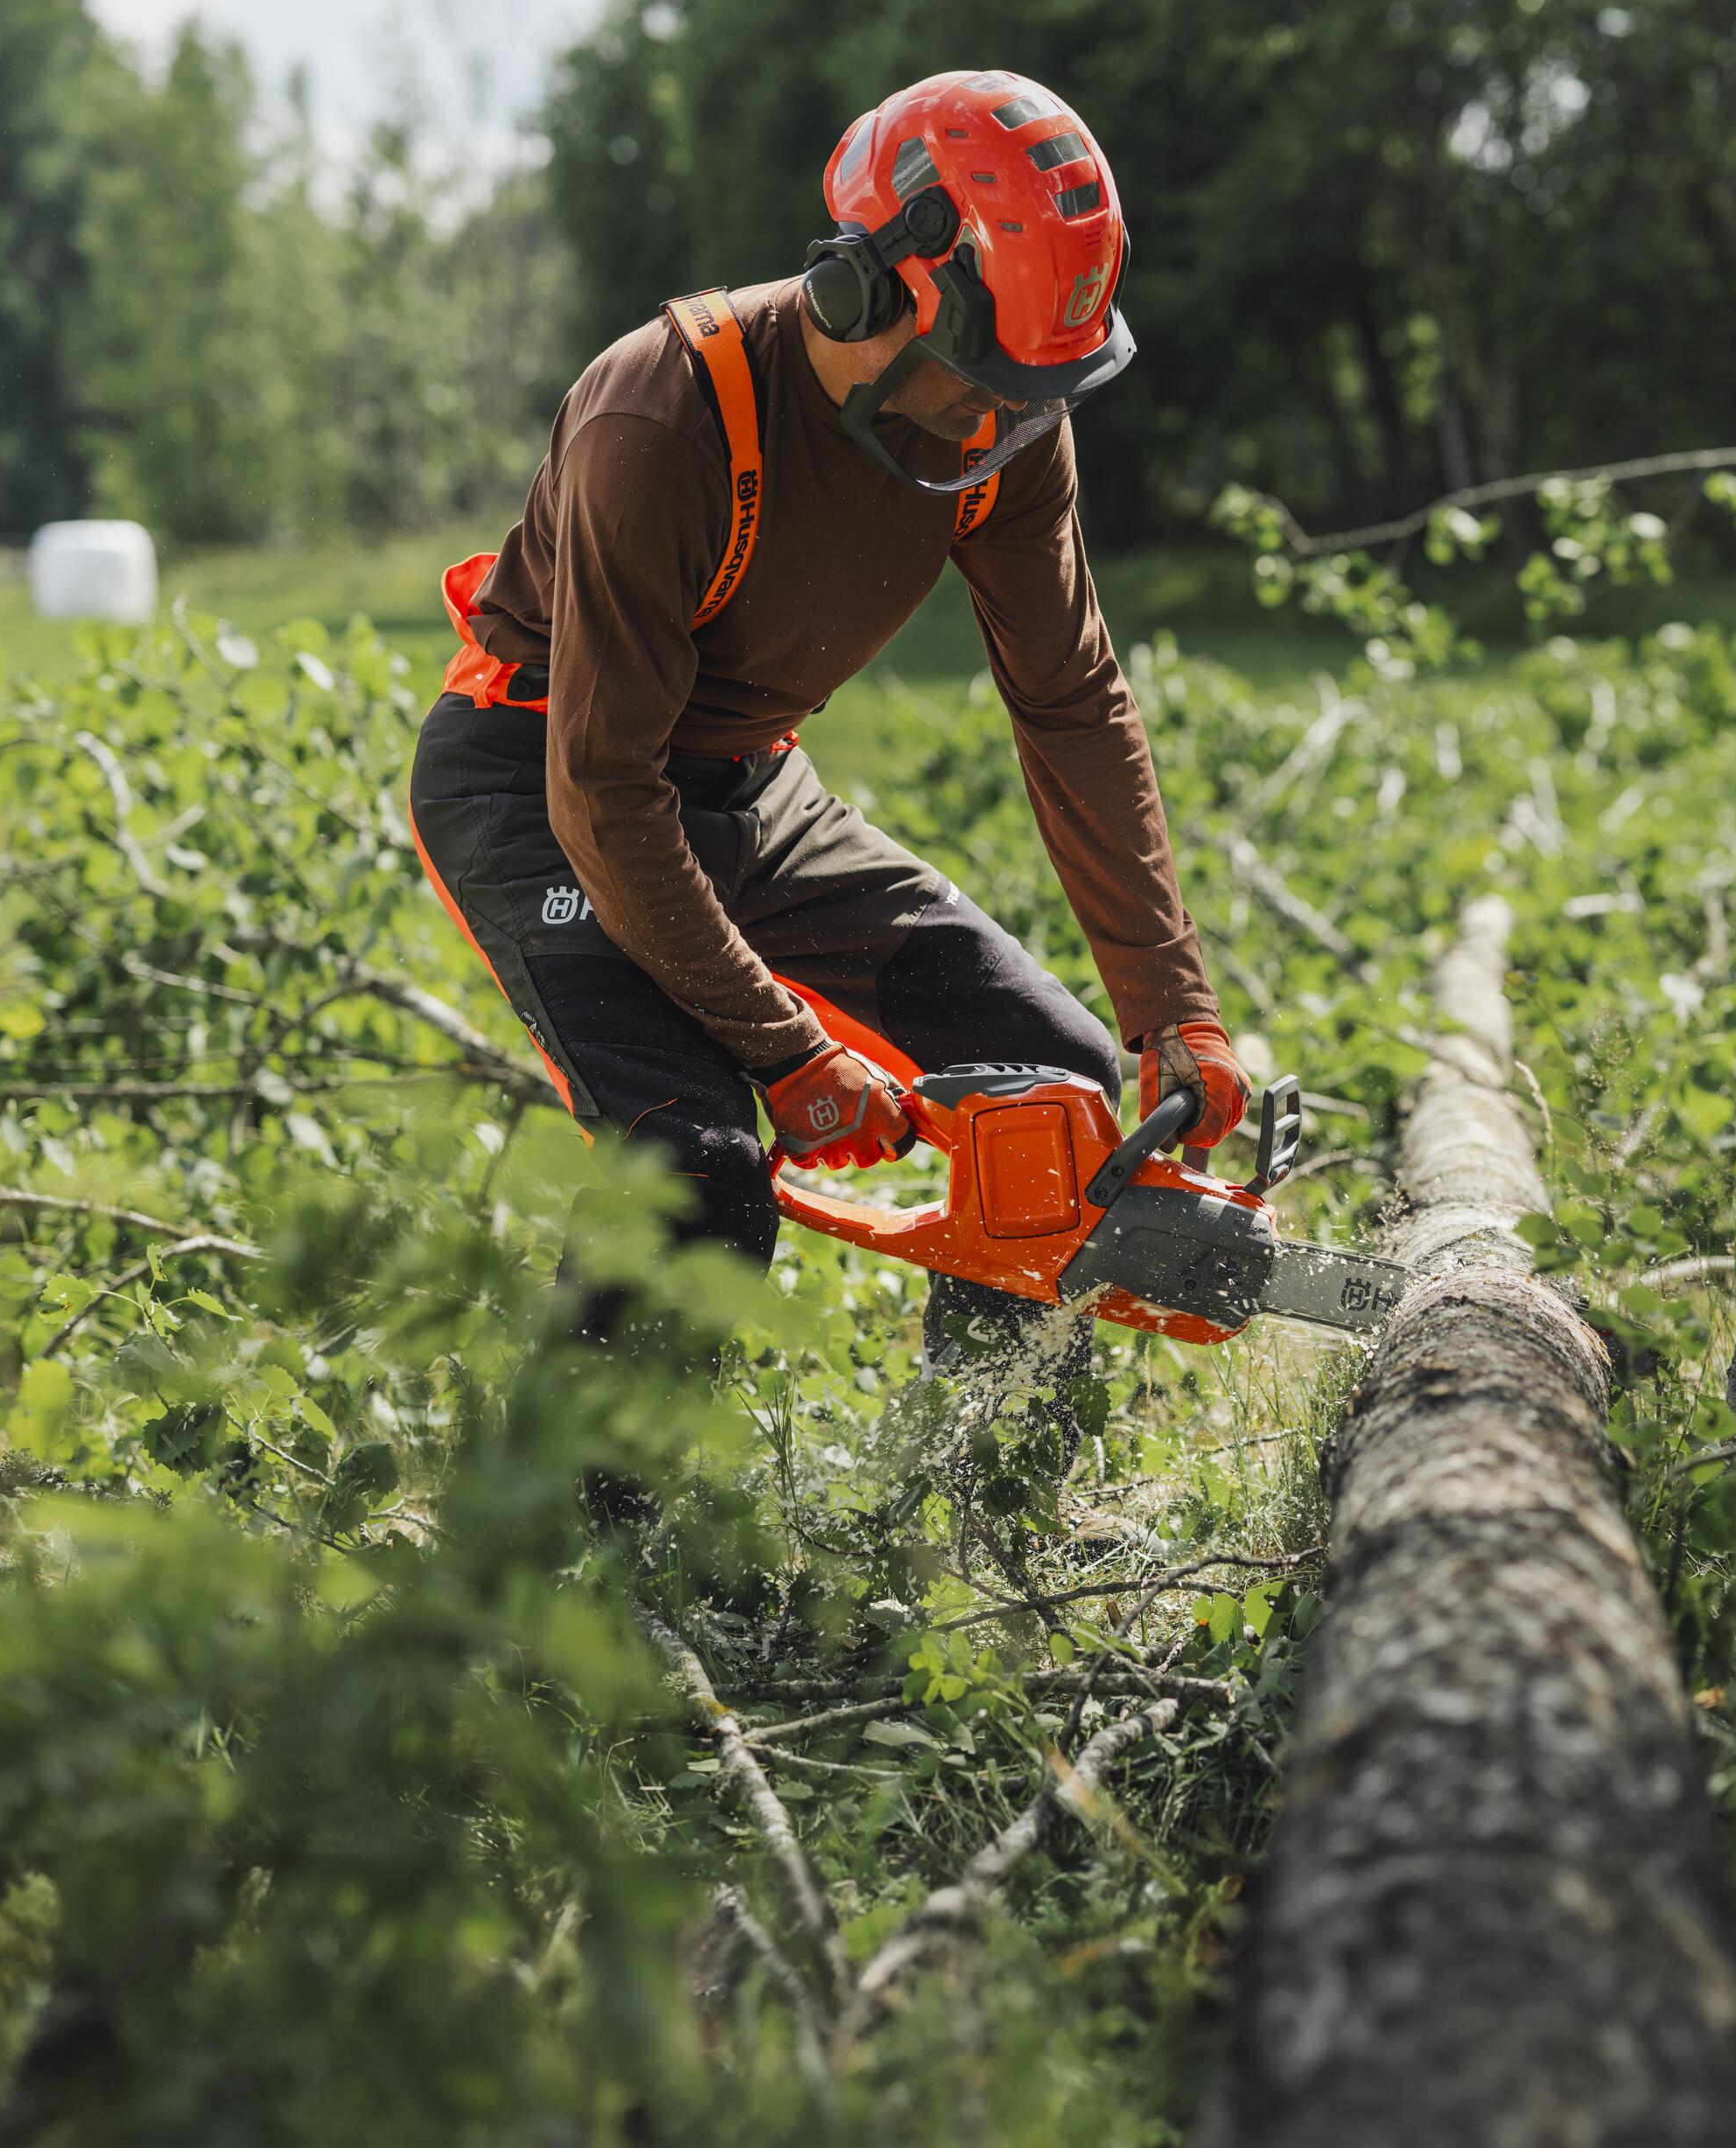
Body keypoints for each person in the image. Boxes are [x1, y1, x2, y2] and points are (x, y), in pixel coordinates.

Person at [405, 70, 1248, 1410]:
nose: (1002, 430)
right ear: (867, 291)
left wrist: (1171, 1006)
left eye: (1033, 399)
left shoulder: (1013, 426)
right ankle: (560, 1558)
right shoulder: (662, 419)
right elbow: (607, 789)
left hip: (749, 788)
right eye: (982, 387)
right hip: (541, 782)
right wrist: (786, 1049)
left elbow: (1072, 698)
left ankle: (991, 1500)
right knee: (700, 1170)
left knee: (1061, 1098)